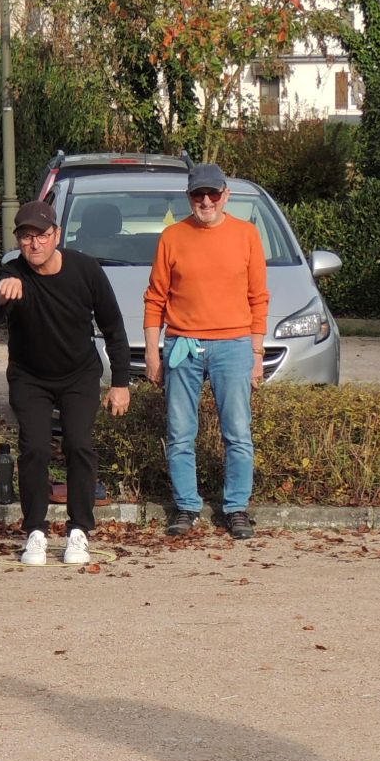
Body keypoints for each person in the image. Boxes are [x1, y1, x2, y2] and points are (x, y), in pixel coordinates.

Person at [0, 199, 132, 567]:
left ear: (57, 235)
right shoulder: (12, 273)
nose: (34, 244)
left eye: (41, 235)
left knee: (79, 445)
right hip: (30, 377)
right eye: (25, 237)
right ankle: (35, 531)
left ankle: (79, 530)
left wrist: (120, 383)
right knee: (34, 448)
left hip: (79, 374)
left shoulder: (85, 269)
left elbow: (114, 328)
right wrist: (0, 295)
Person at [142, 162, 269, 539]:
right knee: (180, 432)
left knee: (238, 433)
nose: (207, 201)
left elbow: (259, 297)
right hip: (183, 345)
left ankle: (237, 508)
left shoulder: (247, 235)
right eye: (199, 194)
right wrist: (152, 353)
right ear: (189, 197)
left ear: (226, 195)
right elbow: (155, 299)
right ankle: (186, 506)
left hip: (234, 345)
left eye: (213, 193)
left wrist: (256, 354)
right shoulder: (172, 237)